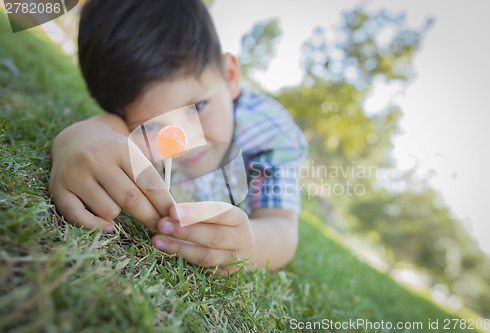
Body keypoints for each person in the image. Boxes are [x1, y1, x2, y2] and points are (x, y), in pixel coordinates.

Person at [49, 0, 308, 273]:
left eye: (197, 108)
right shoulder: (132, 119)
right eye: (149, 126)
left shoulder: (272, 135)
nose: (183, 141)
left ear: (230, 76)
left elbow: (281, 226)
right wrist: (75, 138)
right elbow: (109, 131)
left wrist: (249, 244)